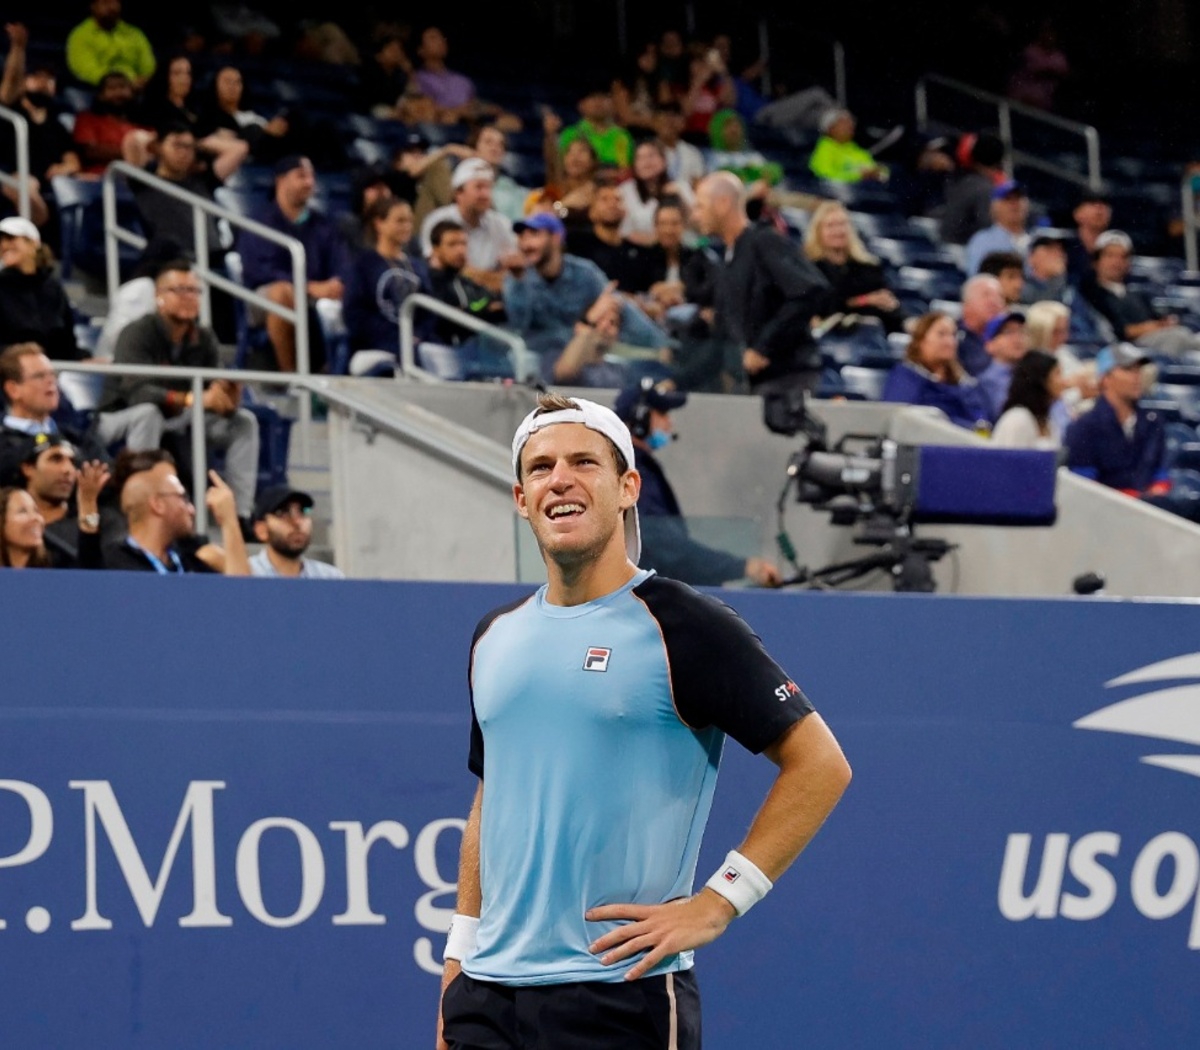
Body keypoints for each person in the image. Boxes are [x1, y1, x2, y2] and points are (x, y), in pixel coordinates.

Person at [436, 392, 851, 1050]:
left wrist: (719, 903)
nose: (560, 480)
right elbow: (491, 801)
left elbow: (821, 764)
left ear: (628, 487)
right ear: (521, 498)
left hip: (616, 994)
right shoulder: (494, 637)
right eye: (541, 468)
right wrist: (459, 959)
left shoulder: (686, 625)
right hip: (484, 998)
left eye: (583, 462)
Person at [101, 261, 260, 521]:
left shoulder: (204, 337)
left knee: (243, 422)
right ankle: (140, 509)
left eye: (194, 291)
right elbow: (135, 392)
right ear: (159, 296)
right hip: (120, 416)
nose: (189, 297)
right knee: (148, 413)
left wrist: (226, 397)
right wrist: (193, 398)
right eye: (179, 290)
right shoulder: (137, 333)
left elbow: (212, 386)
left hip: (180, 418)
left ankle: (239, 515)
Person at [614, 379, 781, 587]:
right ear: (640, 418)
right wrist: (742, 567)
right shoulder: (633, 474)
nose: (669, 424)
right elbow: (666, 547)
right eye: (663, 414)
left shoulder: (638, 467)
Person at [692, 171, 830, 397]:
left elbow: (810, 290)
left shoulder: (764, 241)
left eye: (700, 206)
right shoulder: (727, 257)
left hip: (786, 381)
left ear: (723, 203)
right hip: (753, 383)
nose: (696, 215)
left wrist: (763, 348)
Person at [503, 212, 668, 376]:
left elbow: (617, 304)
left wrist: (660, 345)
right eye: (522, 237)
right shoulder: (517, 278)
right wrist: (589, 319)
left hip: (586, 357)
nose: (525, 244)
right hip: (541, 362)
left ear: (556, 238)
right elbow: (519, 327)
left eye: (534, 235)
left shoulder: (584, 273)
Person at [238, 155, 349, 372]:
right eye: (301, 176)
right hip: (263, 296)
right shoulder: (259, 221)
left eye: (311, 177)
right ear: (281, 181)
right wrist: (308, 287)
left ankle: (336, 371)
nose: (309, 182)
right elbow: (261, 271)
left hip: (316, 295)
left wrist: (337, 282)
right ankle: (292, 376)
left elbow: (341, 262)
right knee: (283, 293)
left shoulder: (323, 223)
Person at [0, 342, 162, 479]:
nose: (51, 382)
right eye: (40, 376)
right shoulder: (4, 443)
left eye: (53, 375)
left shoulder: (76, 435)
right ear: (13, 389)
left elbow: (106, 476)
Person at [103, 450, 250, 573]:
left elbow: (243, 597)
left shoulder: (190, 563)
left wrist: (229, 521)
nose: (192, 510)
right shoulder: (109, 565)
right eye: (183, 497)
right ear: (158, 505)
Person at [130, 123, 243, 264]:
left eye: (189, 147)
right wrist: (156, 139)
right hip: (170, 260)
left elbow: (239, 148)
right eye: (177, 146)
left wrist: (198, 142)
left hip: (212, 259)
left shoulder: (203, 181)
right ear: (159, 146)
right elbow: (134, 140)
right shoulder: (143, 181)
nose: (183, 152)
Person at [1064, 343, 1168, 496]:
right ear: (1105, 378)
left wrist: (1155, 496)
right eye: (1128, 369)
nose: (1136, 376)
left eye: (1138, 369)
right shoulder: (1085, 427)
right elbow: (1083, 486)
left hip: (1152, 510)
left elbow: (1161, 474)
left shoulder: (1152, 422)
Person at [1079, 230, 1200, 358]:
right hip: (1128, 348)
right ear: (1096, 261)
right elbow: (1120, 331)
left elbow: (1158, 319)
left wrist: (1163, 323)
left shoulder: (1137, 294)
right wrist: (1153, 327)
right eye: (1110, 255)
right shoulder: (1091, 294)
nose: (1117, 262)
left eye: (1123, 257)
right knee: (1176, 337)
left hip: (1157, 338)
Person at [344, 198, 428, 369]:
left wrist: (418, 334)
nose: (407, 226)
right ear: (379, 224)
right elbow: (354, 314)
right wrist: (396, 335)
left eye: (409, 221)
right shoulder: (363, 264)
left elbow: (429, 311)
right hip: (375, 344)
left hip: (416, 341)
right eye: (400, 221)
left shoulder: (418, 266)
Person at [803, 200, 904, 334]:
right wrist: (865, 300)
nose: (838, 231)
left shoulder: (869, 266)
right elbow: (827, 305)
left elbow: (883, 300)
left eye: (842, 224)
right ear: (818, 232)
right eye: (830, 225)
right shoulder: (809, 268)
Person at [419, 158, 518, 294]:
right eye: (479, 187)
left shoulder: (501, 223)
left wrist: (475, 275)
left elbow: (513, 276)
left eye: (488, 187)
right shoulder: (437, 220)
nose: (485, 194)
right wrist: (491, 278)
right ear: (459, 193)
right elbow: (442, 271)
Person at [0, 26, 83, 185]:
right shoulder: (11, 110)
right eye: (37, 76)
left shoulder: (56, 123)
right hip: (11, 177)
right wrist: (18, 48)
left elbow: (73, 160)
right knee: (28, 185)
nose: (44, 82)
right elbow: (9, 85)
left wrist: (66, 167)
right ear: (23, 82)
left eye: (50, 78)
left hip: (48, 181)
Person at [882, 311, 992, 430]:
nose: (950, 342)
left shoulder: (965, 384)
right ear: (920, 341)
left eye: (953, 335)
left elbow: (982, 418)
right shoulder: (905, 377)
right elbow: (901, 420)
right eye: (941, 334)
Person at [15, 432, 109, 566]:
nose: (68, 469)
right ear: (28, 468)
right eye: (56, 459)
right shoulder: (8, 521)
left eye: (72, 462)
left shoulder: (102, 523)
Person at [0, 217, 84, 361]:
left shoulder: (54, 288)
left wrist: (83, 358)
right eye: (1, 241)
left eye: (11, 238)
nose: (4, 245)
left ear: (34, 243)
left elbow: (67, 341)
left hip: (55, 369)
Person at [566, 183, 658, 294]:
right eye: (604, 199)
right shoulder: (576, 243)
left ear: (625, 211)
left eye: (618, 200)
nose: (612, 204)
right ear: (592, 211)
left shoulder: (636, 252)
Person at [249, 485, 343, 579]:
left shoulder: (329, 577)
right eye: (282, 513)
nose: (297, 522)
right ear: (261, 530)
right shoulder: (245, 573)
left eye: (302, 511)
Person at [71, 70, 153, 174]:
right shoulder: (87, 118)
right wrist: (133, 153)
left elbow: (156, 147)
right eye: (112, 88)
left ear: (132, 92)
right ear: (100, 95)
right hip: (102, 177)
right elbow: (90, 151)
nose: (118, 93)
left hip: (143, 177)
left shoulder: (143, 121)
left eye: (123, 87)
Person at [66, 0, 156, 88]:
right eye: (105, 3)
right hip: (97, 89)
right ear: (93, 6)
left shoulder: (135, 33)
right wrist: (123, 82)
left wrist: (145, 80)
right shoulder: (80, 35)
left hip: (136, 88)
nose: (111, 7)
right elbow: (86, 70)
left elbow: (148, 66)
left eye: (115, 3)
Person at [617, 141, 694, 244]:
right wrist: (656, 241)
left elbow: (697, 224)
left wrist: (681, 198)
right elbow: (623, 231)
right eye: (640, 158)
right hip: (641, 249)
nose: (646, 162)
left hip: (681, 247)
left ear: (664, 160)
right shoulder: (624, 191)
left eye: (651, 156)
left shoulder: (681, 187)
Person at [939, 132, 1007, 246]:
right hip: (962, 250)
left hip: (947, 245)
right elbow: (988, 228)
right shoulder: (984, 188)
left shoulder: (960, 180)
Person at [991, 350, 1066, 449]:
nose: (1064, 381)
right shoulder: (1017, 419)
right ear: (1042, 379)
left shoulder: (1049, 421)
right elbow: (1009, 462)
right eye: (1057, 374)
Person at [558, 85, 635, 170]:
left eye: (603, 96)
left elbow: (624, 170)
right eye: (591, 97)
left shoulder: (621, 136)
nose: (598, 101)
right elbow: (562, 170)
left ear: (612, 104)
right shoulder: (570, 134)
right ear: (581, 105)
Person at [965, 181, 1032, 275]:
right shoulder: (982, 240)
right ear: (995, 207)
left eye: (1018, 198)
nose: (1014, 204)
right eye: (1007, 199)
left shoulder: (1035, 241)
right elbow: (979, 279)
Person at [977, 310, 1029, 421]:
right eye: (1008, 332)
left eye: (1021, 331)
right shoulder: (987, 381)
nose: (1017, 338)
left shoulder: (1031, 374)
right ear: (990, 345)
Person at [808, 109, 885, 183]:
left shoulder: (855, 149)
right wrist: (857, 176)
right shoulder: (823, 149)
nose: (849, 128)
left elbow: (879, 171)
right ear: (830, 128)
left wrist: (878, 173)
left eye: (850, 124)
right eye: (843, 124)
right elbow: (824, 176)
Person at [957, 273, 1007, 377]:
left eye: (1000, 296)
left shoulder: (1009, 340)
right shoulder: (953, 338)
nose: (995, 301)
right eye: (986, 295)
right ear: (966, 304)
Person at [652, 102, 705, 186]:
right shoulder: (646, 153)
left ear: (682, 124)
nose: (668, 121)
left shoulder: (692, 153)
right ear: (654, 123)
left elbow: (698, 184)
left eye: (671, 121)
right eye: (663, 120)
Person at [1065, 189, 1112, 282]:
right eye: (1092, 203)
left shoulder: (1117, 251)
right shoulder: (1065, 249)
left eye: (1104, 203)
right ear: (1077, 213)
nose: (1099, 208)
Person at [1020, 233, 1069, 304]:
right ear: (1032, 257)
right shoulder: (1023, 287)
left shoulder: (1069, 288)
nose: (1058, 254)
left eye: (1061, 250)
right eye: (1050, 250)